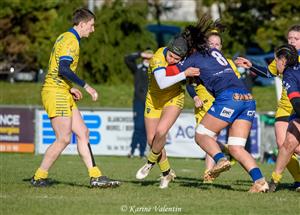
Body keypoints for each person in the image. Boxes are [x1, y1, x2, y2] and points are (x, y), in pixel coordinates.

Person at [167, 17, 269, 193]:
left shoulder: (193, 58)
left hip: (229, 98)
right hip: (247, 99)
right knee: (236, 147)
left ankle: (220, 159)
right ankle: (260, 182)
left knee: (201, 135)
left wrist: (169, 60)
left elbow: (169, 73)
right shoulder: (216, 53)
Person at [30, 8, 120, 188]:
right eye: (91, 26)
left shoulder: (64, 36)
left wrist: (69, 89)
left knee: (83, 132)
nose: (93, 30)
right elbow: (63, 68)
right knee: (63, 138)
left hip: (61, 90)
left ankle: (95, 176)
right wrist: (86, 86)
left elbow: (57, 68)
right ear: (82, 24)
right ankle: (39, 176)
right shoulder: (72, 40)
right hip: (55, 92)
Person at [235, 24, 300, 191]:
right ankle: (298, 179)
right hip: (287, 107)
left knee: (293, 145)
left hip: (297, 105)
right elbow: (270, 73)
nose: (292, 41)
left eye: (296, 39)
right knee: (282, 144)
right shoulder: (284, 56)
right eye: (290, 38)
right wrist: (251, 66)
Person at [135, 34, 200, 189]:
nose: (172, 60)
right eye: (171, 56)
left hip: (174, 97)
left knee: (161, 132)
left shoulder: (182, 58)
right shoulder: (158, 57)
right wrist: (185, 73)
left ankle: (150, 163)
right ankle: (167, 173)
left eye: (177, 59)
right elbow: (162, 83)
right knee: (152, 140)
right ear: (168, 50)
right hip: (154, 100)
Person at [186, 27, 241, 184]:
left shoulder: (228, 63)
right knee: (204, 137)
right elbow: (189, 84)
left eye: (217, 44)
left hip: (221, 103)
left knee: (208, 136)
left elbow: (236, 84)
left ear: (221, 47)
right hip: (202, 103)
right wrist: (195, 96)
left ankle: (208, 174)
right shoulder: (200, 60)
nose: (214, 47)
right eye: (211, 44)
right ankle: (224, 151)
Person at [268, 44, 300, 192]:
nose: (276, 64)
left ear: (283, 60)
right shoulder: (294, 68)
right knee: (288, 143)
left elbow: (295, 100)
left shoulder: (289, 74)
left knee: (288, 144)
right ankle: (274, 180)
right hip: (296, 110)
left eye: (276, 60)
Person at [124, 50, 153, 158]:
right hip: (138, 101)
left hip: (150, 102)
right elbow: (127, 59)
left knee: (146, 127)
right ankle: (131, 150)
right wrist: (140, 54)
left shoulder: (154, 70)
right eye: (147, 57)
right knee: (138, 126)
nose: (148, 59)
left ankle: (142, 152)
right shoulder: (138, 69)